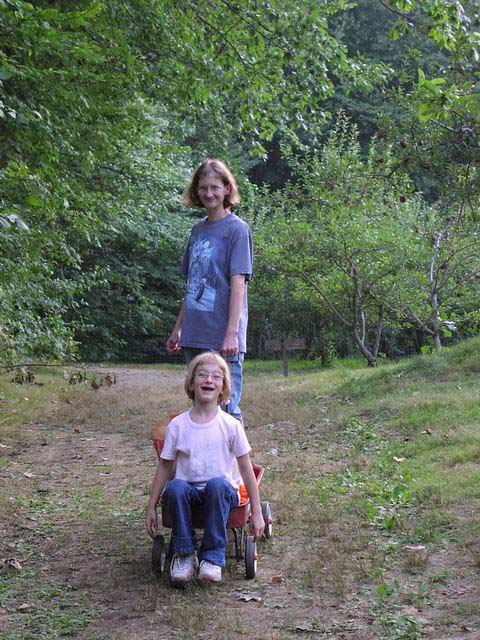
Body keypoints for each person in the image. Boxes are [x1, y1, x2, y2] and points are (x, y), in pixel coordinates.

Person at [146, 352, 264, 586]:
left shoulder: (230, 426)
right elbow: (164, 466)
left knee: (217, 484)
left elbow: (246, 469)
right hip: (188, 492)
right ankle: (184, 554)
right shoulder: (177, 425)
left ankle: (211, 557)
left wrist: (257, 512)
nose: (208, 379)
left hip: (222, 493)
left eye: (216, 377)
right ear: (192, 383)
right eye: (202, 374)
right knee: (176, 487)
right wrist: (151, 506)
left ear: (223, 388)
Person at [166, 159, 253, 422]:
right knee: (202, 411)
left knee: (226, 411)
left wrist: (231, 334)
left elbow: (238, 284)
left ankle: (236, 465)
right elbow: (193, 283)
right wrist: (178, 327)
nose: (208, 193)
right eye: (203, 188)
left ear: (227, 189)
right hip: (195, 333)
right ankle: (204, 464)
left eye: (215, 187)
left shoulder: (237, 230)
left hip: (222, 337)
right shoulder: (197, 231)